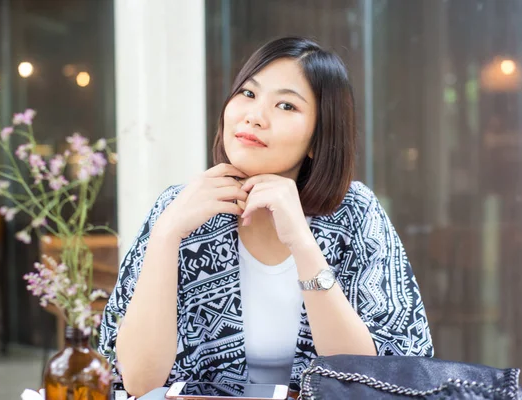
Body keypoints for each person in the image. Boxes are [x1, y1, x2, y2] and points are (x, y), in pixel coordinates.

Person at [98, 36, 433, 397]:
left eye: (286, 105)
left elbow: (368, 377)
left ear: (318, 138)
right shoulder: (180, 208)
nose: (254, 116)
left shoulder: (354, 212)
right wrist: (166, 237)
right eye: (248, 94)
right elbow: (137, 382)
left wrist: (303, 243)